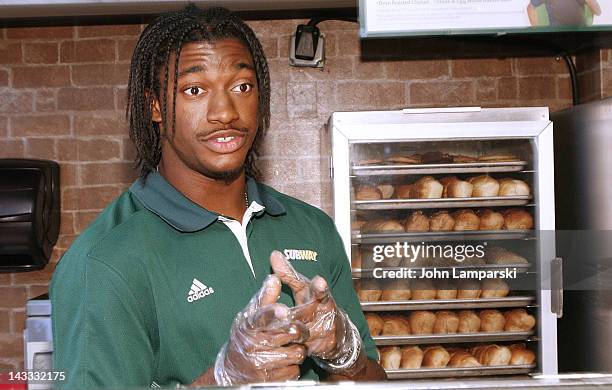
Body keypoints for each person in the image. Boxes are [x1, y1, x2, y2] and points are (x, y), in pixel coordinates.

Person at [50, 5, 386, 388]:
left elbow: (375, 379)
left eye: (242, 87)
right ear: (155, 106)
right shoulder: (106, 261)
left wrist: (344, 354)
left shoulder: (313, 229)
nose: (225, 111)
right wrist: (221, 379)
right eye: (194, 90)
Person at [527, 0, 601, 26]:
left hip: (580, 33)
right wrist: (537, 31)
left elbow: (598, 12)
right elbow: (530, 8)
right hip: (557, 34)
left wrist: (591, 1)